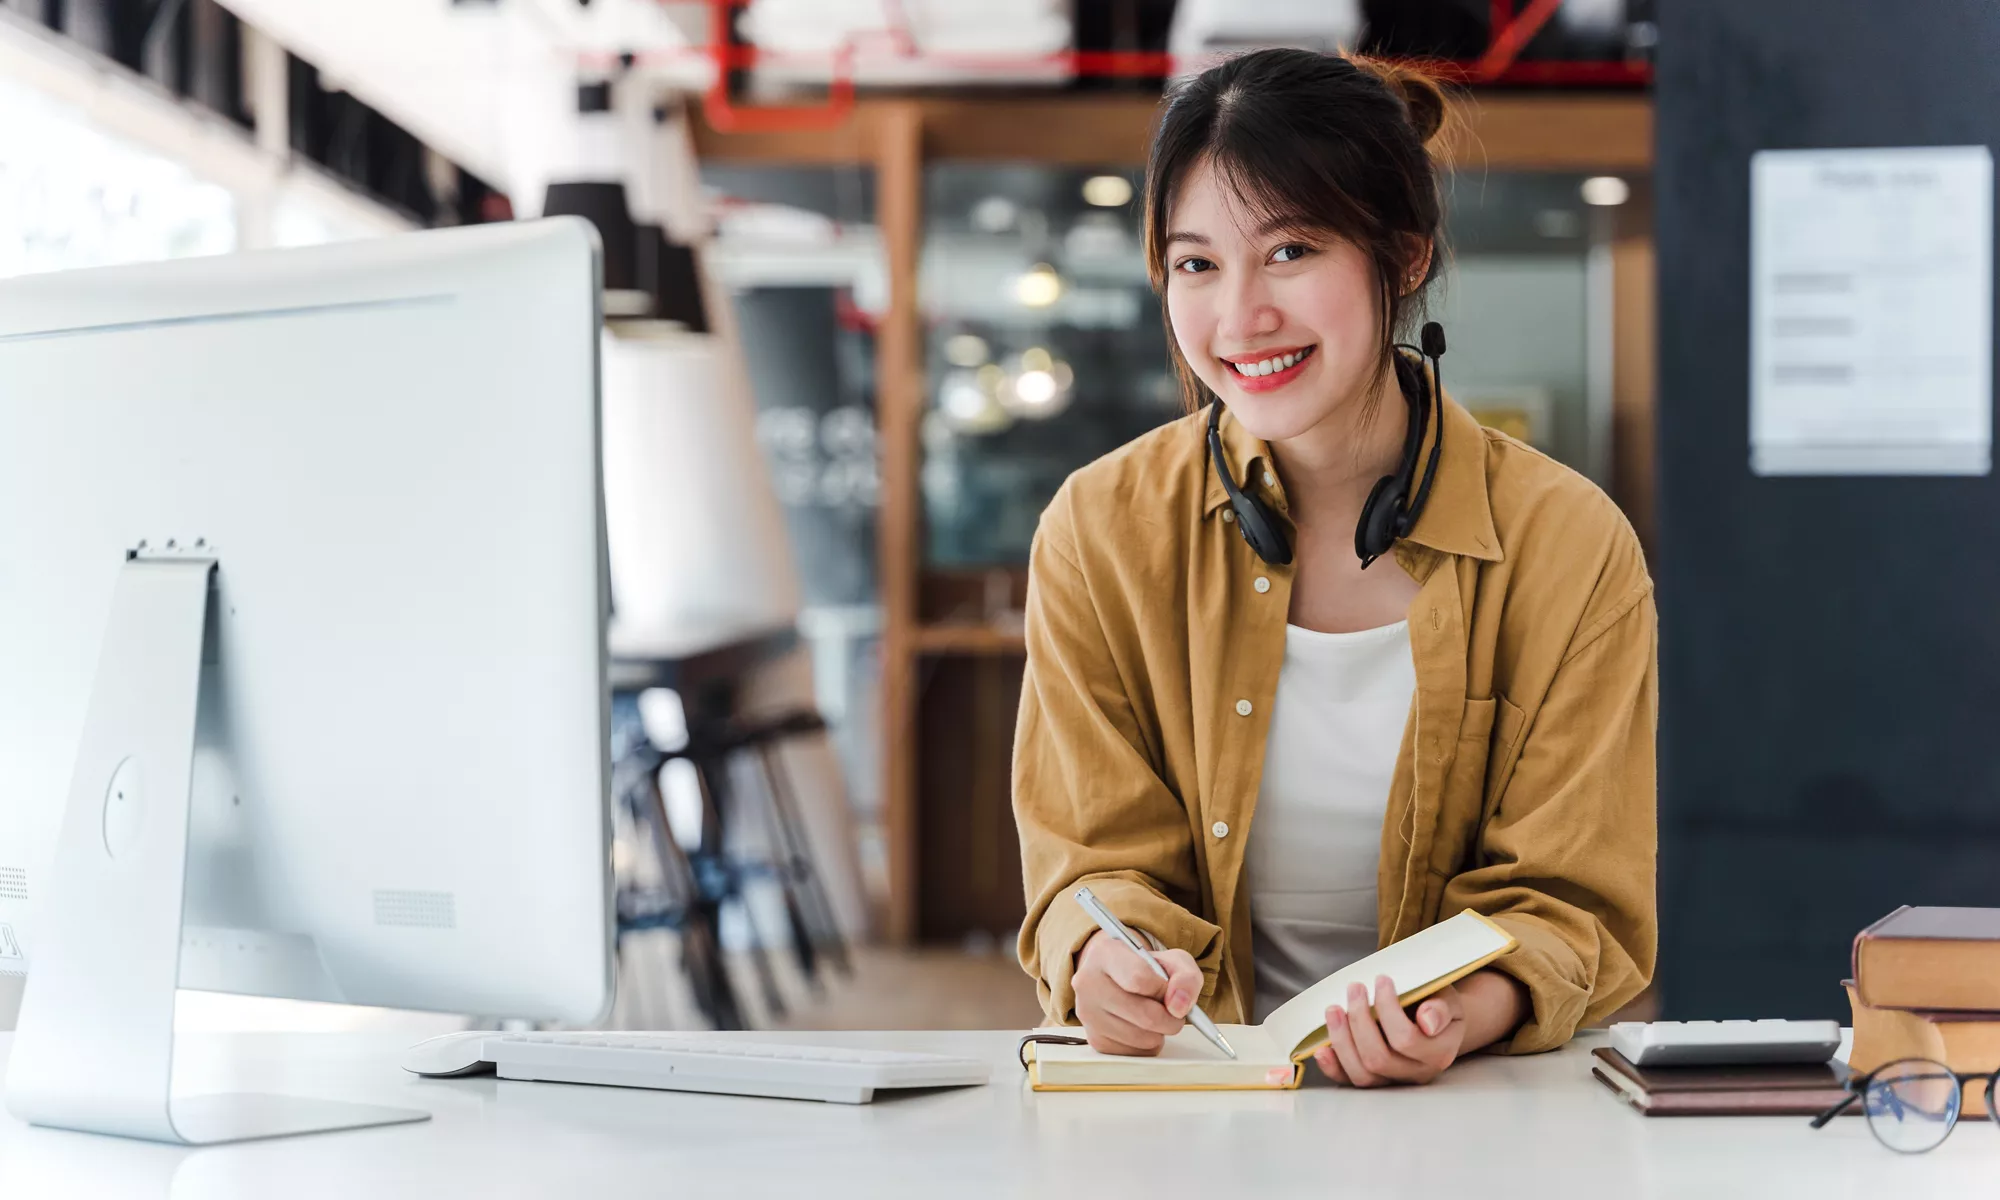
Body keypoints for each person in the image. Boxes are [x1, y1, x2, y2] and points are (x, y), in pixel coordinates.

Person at [1012, 47, 1657, 1086]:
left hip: (1467, 1113)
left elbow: (1572, 902)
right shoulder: (1101, 531)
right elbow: (1092, 860)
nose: (1238, 318)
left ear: (1400, 258)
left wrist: (1461, 1012)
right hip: (1193, 1097)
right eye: (1195, 264)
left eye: (1290, 251)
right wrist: (1102, 963)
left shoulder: (1567, 546)